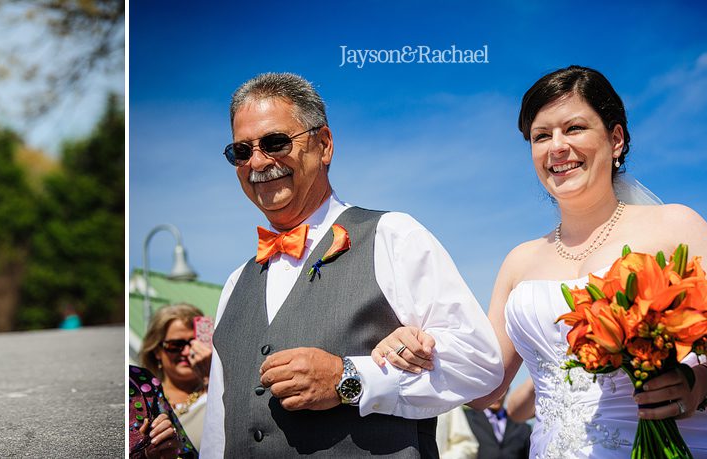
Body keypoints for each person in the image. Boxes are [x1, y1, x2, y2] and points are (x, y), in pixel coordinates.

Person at [375, 65, 707, 458]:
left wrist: (698, 384)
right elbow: (486, 387)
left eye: (574, 128)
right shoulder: (518, 261)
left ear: (616, 139)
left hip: (683, 444)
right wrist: (418, 346)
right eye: (541, 136)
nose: (556, 147)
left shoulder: (677, 225)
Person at [201, 72, 504, 458]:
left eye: (275, 142)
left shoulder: (392, 236)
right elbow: (217, 431)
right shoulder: (235, 284)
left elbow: (479, 362)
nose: (258, 162)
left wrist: (351, 378)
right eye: (241, 151)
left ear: (323, 144)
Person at [137, 304, 212, 452]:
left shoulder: (217, 394)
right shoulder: (144, 400)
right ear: (157, 350)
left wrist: (211, 379)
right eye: (175, 345)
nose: (186, 351)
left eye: (193, 343)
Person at [463, 391, 531, 459]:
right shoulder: (465, 419)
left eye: (500, 390)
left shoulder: (523, 427)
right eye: (492, 389)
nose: (496, 396)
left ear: (507, 390)